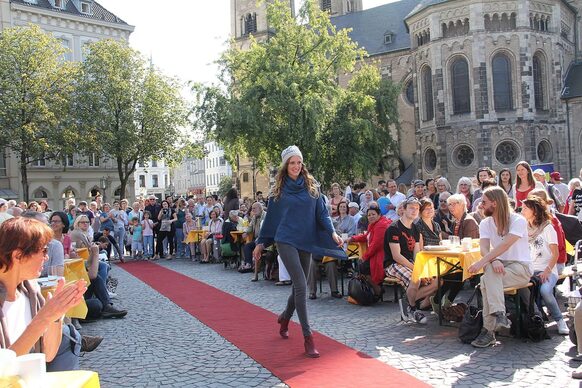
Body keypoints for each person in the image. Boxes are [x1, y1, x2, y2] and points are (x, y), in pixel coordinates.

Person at [253, 145, 345, 358]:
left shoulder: (313, 187)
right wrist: (260, 242)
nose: (296, 166)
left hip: (306, 239)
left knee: (298, 286)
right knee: (302, 285)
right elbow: (271, 219)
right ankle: (308, 338)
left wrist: (332, 233)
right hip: (285, 239)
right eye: (292, 162)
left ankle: (285, 317)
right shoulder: (279, 190)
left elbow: (322, 214)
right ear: (286, 165)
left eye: (298, 162)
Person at [0, 217, 87, 361]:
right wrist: (44, 317)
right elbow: (4, 368)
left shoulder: (30, 292)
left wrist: (56, 316)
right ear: (18, 255)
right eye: (44, 250)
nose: (46, 258)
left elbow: (48, 355)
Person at [468, 187, 532, 348]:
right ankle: (499, 315)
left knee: (485, 281)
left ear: (495, 203)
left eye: (484, 202)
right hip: (498, 267)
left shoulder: (518, 220)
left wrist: (483, 262)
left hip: (520, 267)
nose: (480, 205)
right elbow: (484, 249)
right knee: (488, 276)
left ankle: (489, 330)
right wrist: (493, 260)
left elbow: (505, 244)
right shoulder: (485, 223)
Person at [521, 195, 569, 335]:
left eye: (525, 208)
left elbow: (555, 253)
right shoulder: (523, 227)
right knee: (519, 288)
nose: (522, 210)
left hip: (547, 268)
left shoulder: (548, 227)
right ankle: (536, 316)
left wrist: (547, 270)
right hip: (529, 269)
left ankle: (560, 320)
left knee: (545, 291)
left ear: (534, 210)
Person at [385, 198, 438, 324]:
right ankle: (413, 309)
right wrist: (416, 269)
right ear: (403, 209)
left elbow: (417, 252)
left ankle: (407, 302)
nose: (415, 211)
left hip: (409, 262)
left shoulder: (415, 228)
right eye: (411, 208)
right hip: (393, 264)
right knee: (416, 278)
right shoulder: (394, 228)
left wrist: (422, 268)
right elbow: (396, 256)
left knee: (436, 282)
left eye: (417, 208)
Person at [348, 206, 391, 298]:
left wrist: (365, 257)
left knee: (362, 267)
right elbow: (366, 236)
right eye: (369, 215)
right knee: (361, 267)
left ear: (379, 215)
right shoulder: (373, 224)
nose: (371, 216)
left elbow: (376, 245)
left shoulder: (381, 225)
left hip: (382, 256)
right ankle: (376, 288)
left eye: (373, 214)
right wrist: (352, 238)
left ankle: (377, 290)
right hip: (376, 254)